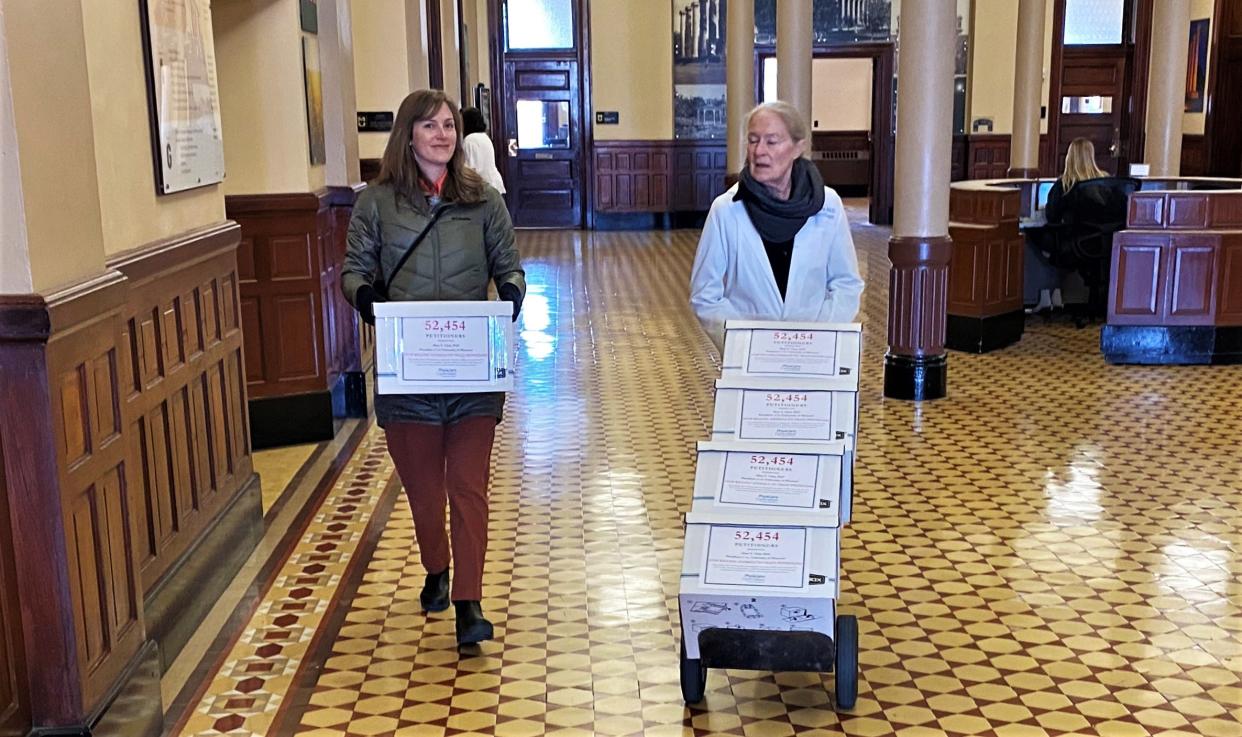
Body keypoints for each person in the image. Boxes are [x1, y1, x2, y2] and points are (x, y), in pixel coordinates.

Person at [342, 89, 524, 648]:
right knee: (424, 491)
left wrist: (511, 297)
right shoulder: (375, 203)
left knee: (468, 487)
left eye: (449, 125)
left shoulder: (484, 200)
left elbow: (509, 267)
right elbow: (353, 270)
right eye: (430, 126)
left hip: (471, 371)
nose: (443, 135)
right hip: (408, 372)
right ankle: (436, 566)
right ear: (408, 135)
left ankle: (469, 603)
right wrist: (369, 300)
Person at [689, 101, 864, 350]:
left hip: (813, 353)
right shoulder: (726, 210)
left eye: (771, 142)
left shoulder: (828, 205)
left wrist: (818, 337)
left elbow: (846, 283)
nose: (759, 151)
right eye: (753, 140)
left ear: (797, 148)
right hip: (749, 357)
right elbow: (705, 294)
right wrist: (746, 341)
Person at [1025, 137, 1109, 313]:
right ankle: (1054, 294)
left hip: (1073, 246)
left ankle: (1044, 293)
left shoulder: (1063, 185)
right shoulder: (1106, 183)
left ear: (1069, 158)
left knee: (1032, 233)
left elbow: (1051, 216)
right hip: (1102, 245)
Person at [460, 107, 506, 194]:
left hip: (483, 188)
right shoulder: (484, 137)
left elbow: (470, 169)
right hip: (494, 184)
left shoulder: (470, 140)